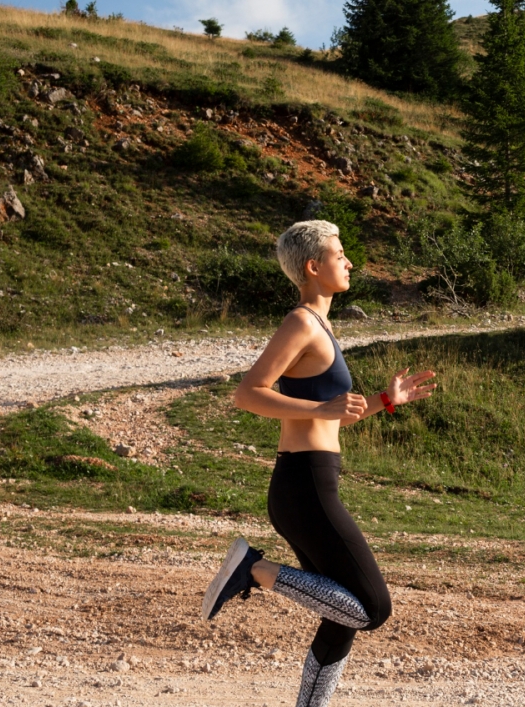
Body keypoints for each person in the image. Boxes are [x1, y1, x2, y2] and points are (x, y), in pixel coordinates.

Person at [200, 220, 437, 706]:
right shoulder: (301, 322)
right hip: (303, 487)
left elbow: (334, 416)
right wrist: (321, 409)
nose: (348, 262)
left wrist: (383, 401)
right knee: (371, 608)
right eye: (339, 253)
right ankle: (254, 568)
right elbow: (248, 394)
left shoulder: (322, 326)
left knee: (340, 615)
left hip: (310, 483)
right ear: (313, 266)